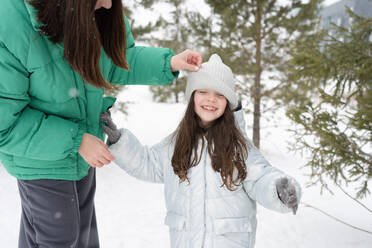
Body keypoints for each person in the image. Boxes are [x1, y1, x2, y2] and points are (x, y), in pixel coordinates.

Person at [0, 0, 202, 247]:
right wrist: (76, 140)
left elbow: (117, 59)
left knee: (81, 238)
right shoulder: (11, 22)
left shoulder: (91, 12)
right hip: (39, 160)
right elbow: (4, 126)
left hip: (80, 157)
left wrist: (168, 63)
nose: (108, 5)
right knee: (62, 237)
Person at [100, 54, 302, 248]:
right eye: (203, 92)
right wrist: (119, 140)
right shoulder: (177, 143)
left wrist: (279, 188)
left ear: (229, 103)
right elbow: (148, 164)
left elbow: (261, 177)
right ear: (192, 97)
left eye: (219, 94)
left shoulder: (238, 147)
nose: (211, 99)